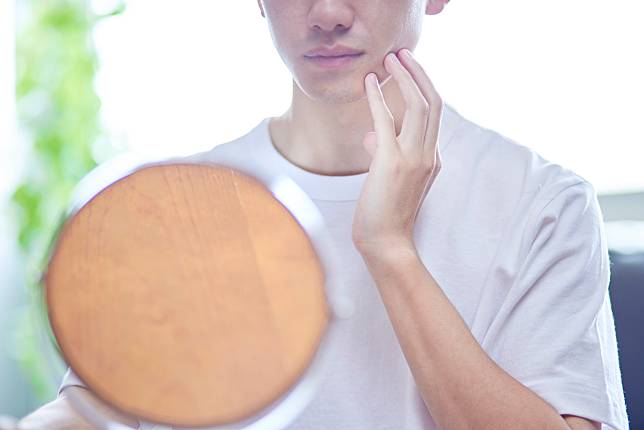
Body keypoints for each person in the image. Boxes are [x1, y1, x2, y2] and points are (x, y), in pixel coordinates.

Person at [7, 0, 629, 429]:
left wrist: (389, 248)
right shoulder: (180, 201)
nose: (328, 14)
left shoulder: (544, 202)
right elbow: (101, 407)